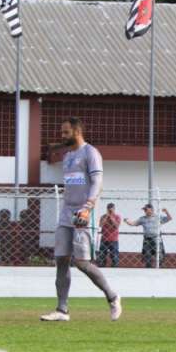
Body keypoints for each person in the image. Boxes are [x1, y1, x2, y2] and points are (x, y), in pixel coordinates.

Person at [40, 117, 121, 322]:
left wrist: (87, 207)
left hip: (84, 213)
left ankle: (112, 297)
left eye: (66, 132)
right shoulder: (68, 156)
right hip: (66, 213)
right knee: (61, 260)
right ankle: (62, 310)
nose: (62, 136)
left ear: (77, 131)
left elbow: (97, 182)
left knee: (82, 263)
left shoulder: (91, 153)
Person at [126, 204, 172, 268]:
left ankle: (160, 266)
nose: (145, 211)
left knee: (159, 255)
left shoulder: (158, 217)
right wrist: (127, 221)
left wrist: (166, 211)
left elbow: (169, 218)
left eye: (146, 209)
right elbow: (133, 223)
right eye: (144, 210)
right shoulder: (142, 218)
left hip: (157, 238)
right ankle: (148, 267)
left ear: (151, 209)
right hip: (147, 239)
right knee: (147, 255)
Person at [97, 203, 122, 268]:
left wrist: (111, 217)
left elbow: (116, 226)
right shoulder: (103, 216)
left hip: (114, 239)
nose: (110, 210)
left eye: (112, 209)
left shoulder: (117, 216)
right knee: (102, 254)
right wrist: (106, 216)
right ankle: (102, 266)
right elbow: (100, 225)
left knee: (114, 255)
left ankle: (115, 266)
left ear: (114, 209)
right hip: (104, 239)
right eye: (109, 209)